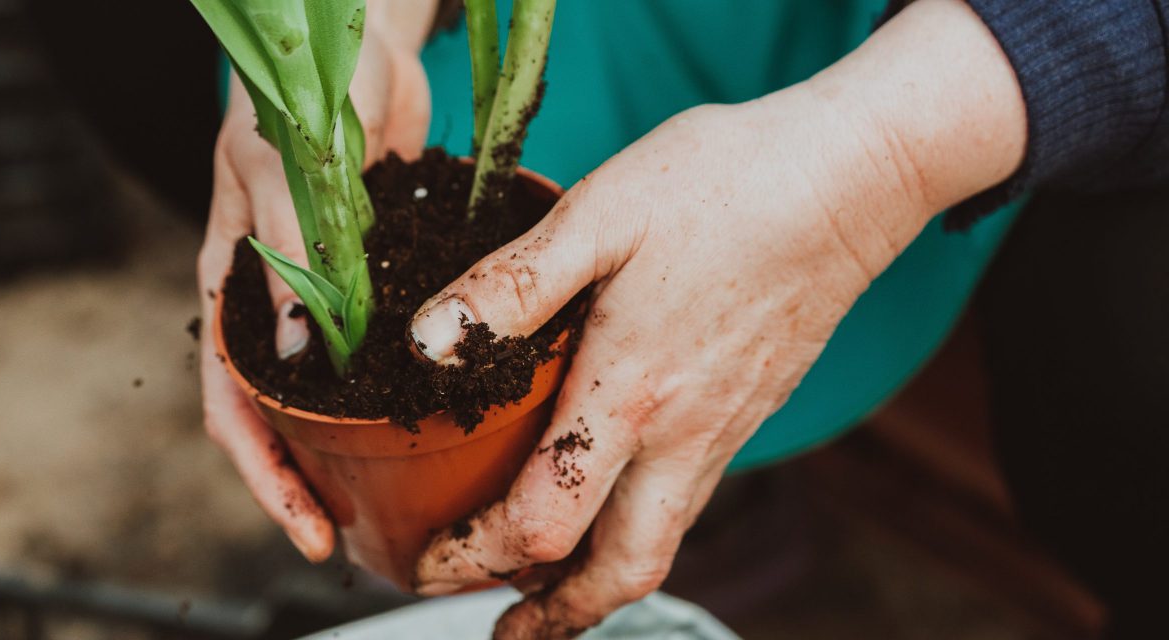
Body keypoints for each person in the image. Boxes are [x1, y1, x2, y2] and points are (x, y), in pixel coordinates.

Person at [196, 0, 1169, 637]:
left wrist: (878, 160)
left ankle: (692, 491)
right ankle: (636, 504)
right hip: (571, 36)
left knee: (1131, 349)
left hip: (949, 50)